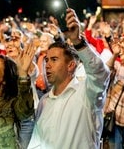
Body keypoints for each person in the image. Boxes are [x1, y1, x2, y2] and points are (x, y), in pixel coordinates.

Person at [27, 8, 110, 149]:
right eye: (47, 60)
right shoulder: (44, 101)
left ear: (71, 65)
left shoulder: (86, 94)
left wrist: (78, 41)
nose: (47, 65)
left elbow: (100, 74)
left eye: (54, 59)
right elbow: (37, 143)